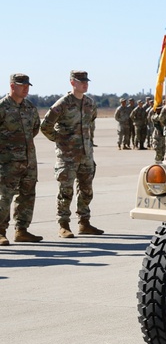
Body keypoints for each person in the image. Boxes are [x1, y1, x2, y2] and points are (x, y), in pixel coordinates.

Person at [40, 70, 103, 237]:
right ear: (72, 83)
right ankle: (64, 225)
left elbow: (90, 124)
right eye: (81, 81)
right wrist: (61, 141)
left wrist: (89, 144)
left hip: (86, 154)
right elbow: (45, 126)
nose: (85, 83)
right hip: (67, 157)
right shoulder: (63, 103)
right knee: (66, 191)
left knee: (86, 190)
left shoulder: (90, 103)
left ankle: (84, 223)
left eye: (86, 81)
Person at [0, 74, 43, 244]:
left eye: (27, 85)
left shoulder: (30, 108)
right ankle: (0, 231)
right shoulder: (2, 107)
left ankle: (22, 230)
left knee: (27, 194)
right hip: (7, 161)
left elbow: (34, 129)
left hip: (28, 159)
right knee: (5, 196)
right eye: (21, 85)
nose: (25, 88)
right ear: (12, 86)